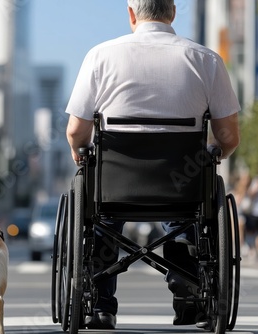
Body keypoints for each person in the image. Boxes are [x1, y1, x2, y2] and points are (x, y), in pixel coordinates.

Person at [65, 0, 240, 329]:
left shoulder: (100, 56)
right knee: (190, 210)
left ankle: (101, 306)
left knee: (100, 210)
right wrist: (208, 156)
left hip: (114, 188)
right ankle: (191, 296)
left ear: (131, 14)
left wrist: (80, 151)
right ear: (172, 12)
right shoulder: (206, 59)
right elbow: (229, 137)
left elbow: (76, 131)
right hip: (182, 186)